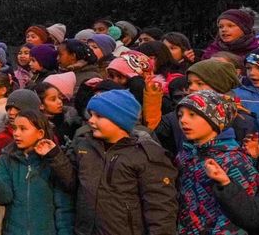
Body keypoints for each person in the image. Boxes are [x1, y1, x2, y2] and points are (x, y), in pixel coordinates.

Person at [48, 89, 178, 235]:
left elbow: (160, 208)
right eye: (91, 115)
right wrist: (54, 156)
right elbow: (73, 183)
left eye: (99, 116)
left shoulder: (145, 154)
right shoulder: (84, 145)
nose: (91, 120)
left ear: (119, 120)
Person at [174, 90, 259, 235]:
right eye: (180, 115)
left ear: (215, 119)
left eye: (192, 115)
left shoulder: (234, 159)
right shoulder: (184, 155)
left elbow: (243, 212)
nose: (183, 120)